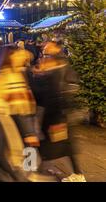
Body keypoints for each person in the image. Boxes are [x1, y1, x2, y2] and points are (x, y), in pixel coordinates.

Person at [32, 42, 85, 182]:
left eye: (46, 54)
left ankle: (32, 171)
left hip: (57, 117)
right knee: (66, 147)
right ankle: (78, 174)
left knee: (37, 143)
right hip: (60, 117)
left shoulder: (59, 71)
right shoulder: (60, 69)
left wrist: (58, 119)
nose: (43, 56)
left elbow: (54, 96)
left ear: (53, 56)